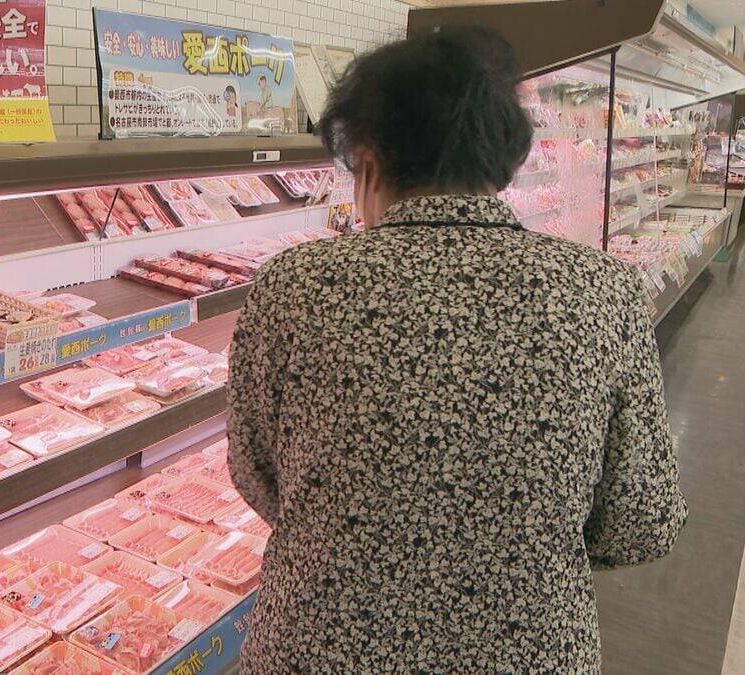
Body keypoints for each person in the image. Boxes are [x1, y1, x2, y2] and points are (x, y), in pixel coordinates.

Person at [227, 26, 686, 673]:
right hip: (526, 649)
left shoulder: (294, 285)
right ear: (504, 159)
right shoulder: (602, 290)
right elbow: (641, 518)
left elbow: (257, 474)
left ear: (368, 161)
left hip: (320, 647)